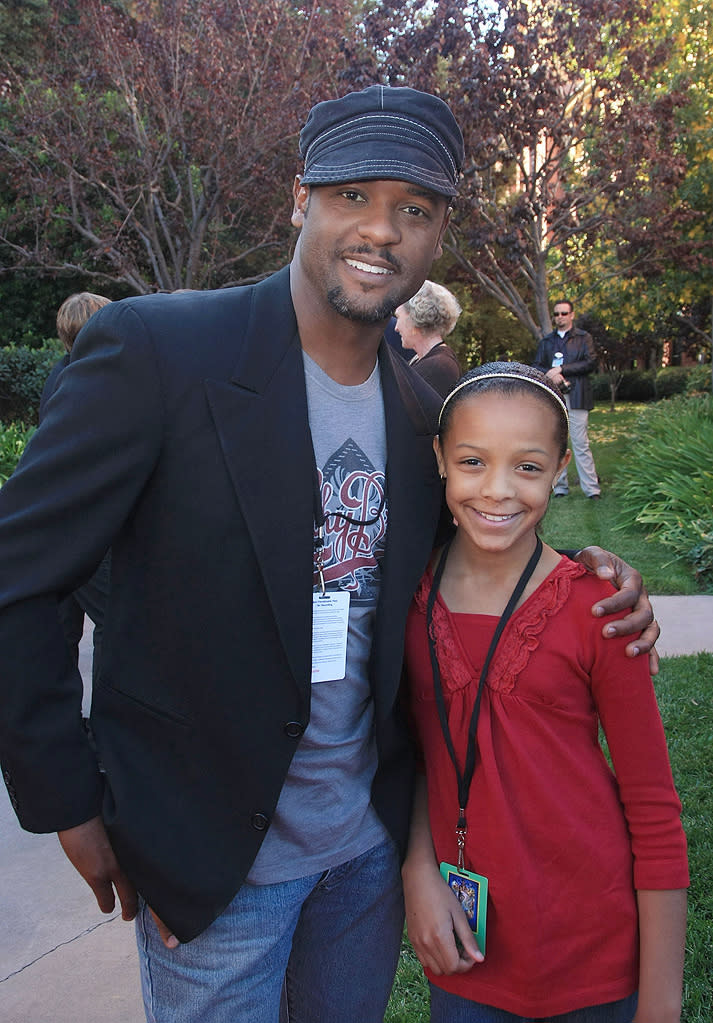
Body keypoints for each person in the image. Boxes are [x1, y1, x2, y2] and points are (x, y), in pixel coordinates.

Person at [0, 87, 659, 1023]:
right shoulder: (158, 350)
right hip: (212, 863)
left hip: (362, 858)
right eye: (353, 195)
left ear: (438, 236)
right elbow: (21, 578)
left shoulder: (421, 415)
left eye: (415, 210)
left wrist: (593, 564)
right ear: (299, 197)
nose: (382, 229)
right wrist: (65, 799)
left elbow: (469, 563)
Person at [402, 363, 688, 1023]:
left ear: (560, 467)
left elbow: (652, 807)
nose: (496, 490)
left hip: (592, 952)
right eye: (472, 460)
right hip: (465, 947)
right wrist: (417, 869)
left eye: (527, 467)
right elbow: (413, 753)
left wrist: (660, 1004)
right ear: (440, 457)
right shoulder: (408, 599)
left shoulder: (599, 610)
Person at [39, 292, 113, 687]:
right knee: (115, 621)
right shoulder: (95, 382)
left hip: (55, 526)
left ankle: (64, 729)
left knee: (63, 630)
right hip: (85, 530)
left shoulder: (60, 373)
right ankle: (106, 732)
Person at [533, 298, 601, 498]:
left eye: (564, 313)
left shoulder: (583, 338)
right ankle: (560, 487)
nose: (560, 317)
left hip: (578, 395)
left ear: (571, 315)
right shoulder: (547, 341)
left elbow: (591, 362)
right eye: (556, 314)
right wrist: (552, 375)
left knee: (580, 443)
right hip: (553, 397)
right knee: (556, 442)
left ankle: (591, 489)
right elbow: (537, 366)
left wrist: (563, 369)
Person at [395, 279, 462, 397]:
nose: (396, 327)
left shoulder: (438, 366)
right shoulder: (428, 359)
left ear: (413, 320)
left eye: (399, 317)